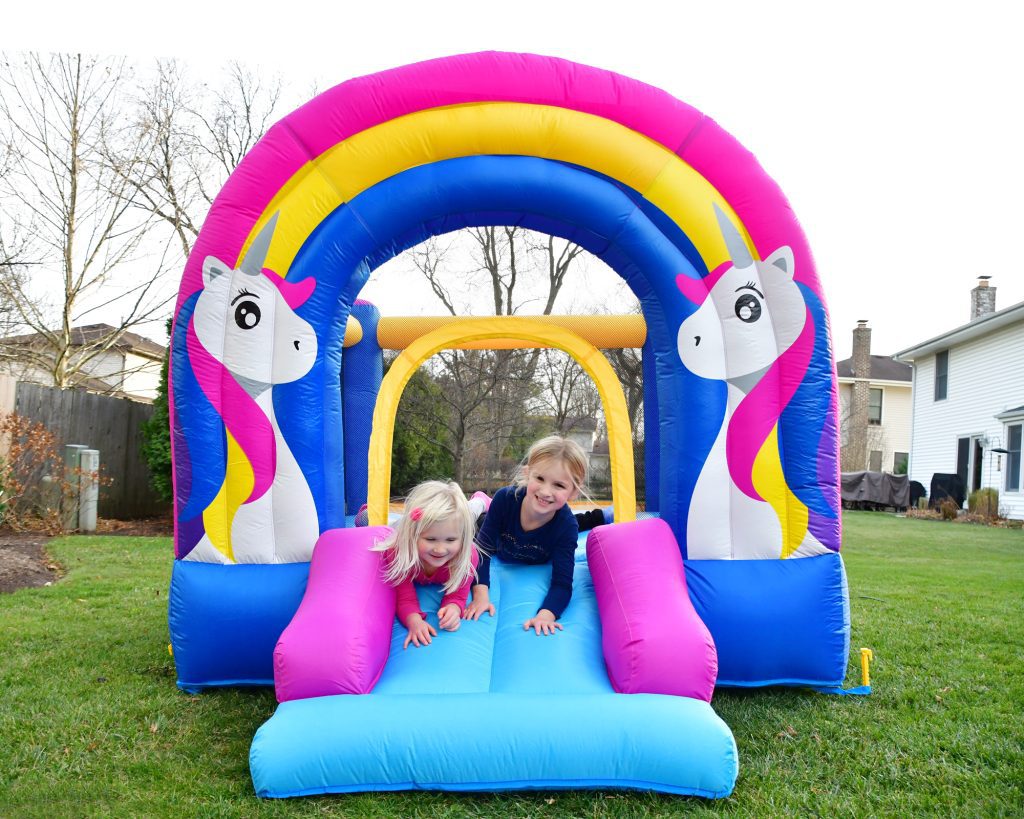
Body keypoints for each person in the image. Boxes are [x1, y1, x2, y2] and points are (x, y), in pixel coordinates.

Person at [464, 435, 589, 635]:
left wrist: (546, 615)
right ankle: (480, 502)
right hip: (493, 533)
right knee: (464, 526)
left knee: (579, 521)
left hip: (552, 526)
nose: (546, 491)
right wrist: (481, 596)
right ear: (527, 474)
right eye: (539, 478)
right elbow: (481, 551)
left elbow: (562, 583)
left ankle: (600, 516)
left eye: (559, 485)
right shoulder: (505, 499)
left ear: (574, 491)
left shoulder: (566, 526)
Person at [373, 480, 479, 649]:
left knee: (473, 510)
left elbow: (458, 595)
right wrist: (414, 621)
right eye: (430, 539)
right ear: (413, 536)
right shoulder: (399, 551)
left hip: (461, 516)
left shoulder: (466, 555)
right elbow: (404, 596)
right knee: (375, 524)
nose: (440, 549)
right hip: (398, 526)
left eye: (450, 540)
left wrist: (453, 608)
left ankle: (480, 500)